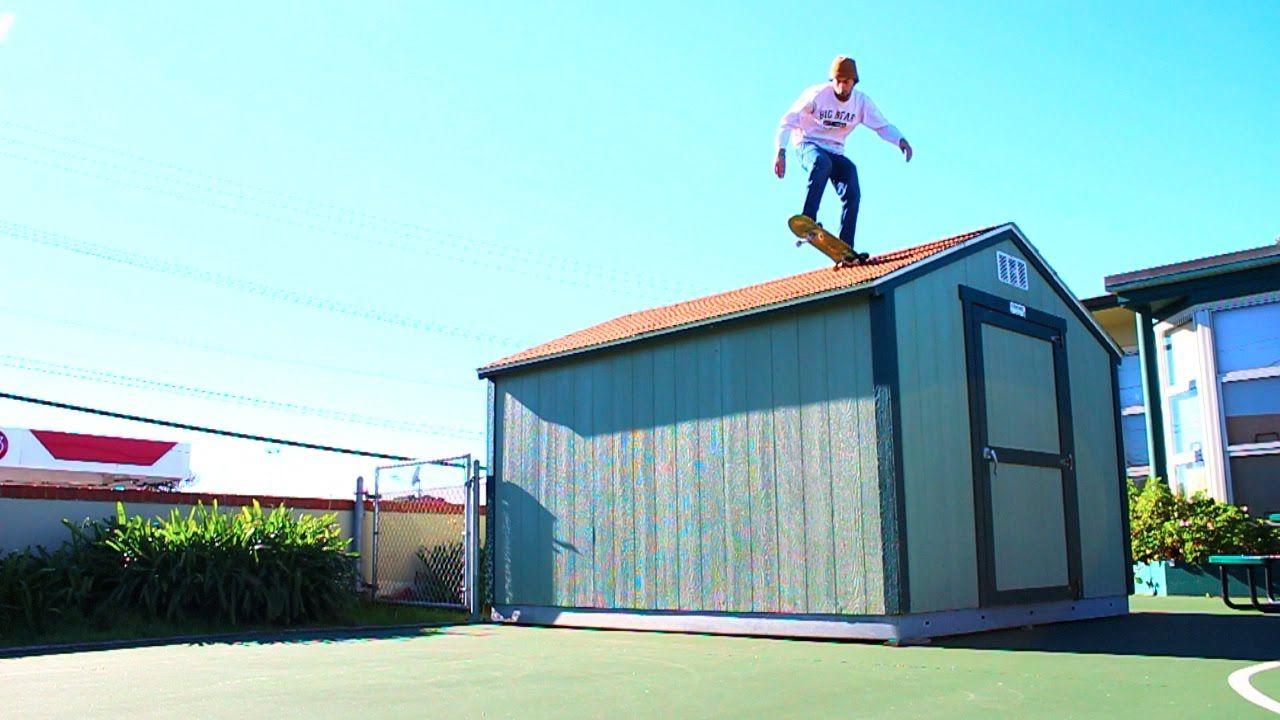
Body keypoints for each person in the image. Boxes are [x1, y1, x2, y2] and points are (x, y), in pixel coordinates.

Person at [774, 56, 912, 251]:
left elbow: (882, 126)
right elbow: (788, 119)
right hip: (808, 144)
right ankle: (808, 219)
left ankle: (846, 247)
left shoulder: (861, 103)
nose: (840, 86)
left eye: (845, 82)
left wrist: (900, 140)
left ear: (853, 82)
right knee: (822, 163)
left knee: (851, 181)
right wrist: (781, 151)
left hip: (835, 150)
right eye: (837, 81)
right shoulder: (817, 95)